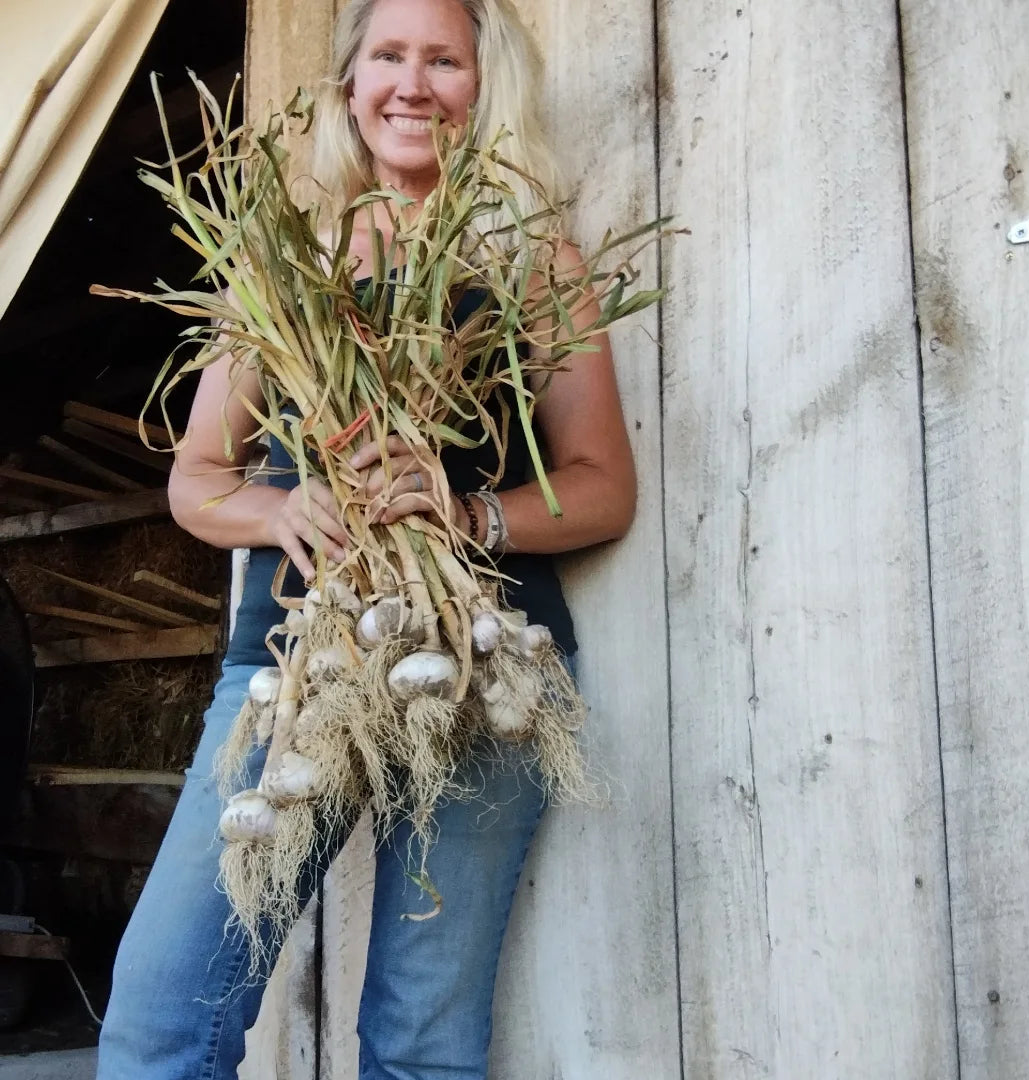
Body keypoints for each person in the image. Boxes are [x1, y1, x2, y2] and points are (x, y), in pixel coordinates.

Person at [96, 0, 636, 1077]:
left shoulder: (535, 264)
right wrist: (280, 509)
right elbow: (199, 482)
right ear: (348, 82)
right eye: (389, 55)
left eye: (446, 59)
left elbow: (602, 488)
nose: (413, 84)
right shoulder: (284, 265)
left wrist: (467, 512)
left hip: (487, 670)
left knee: (420, 1041)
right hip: (297, 669)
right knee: (160, 1023)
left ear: (488, 86)